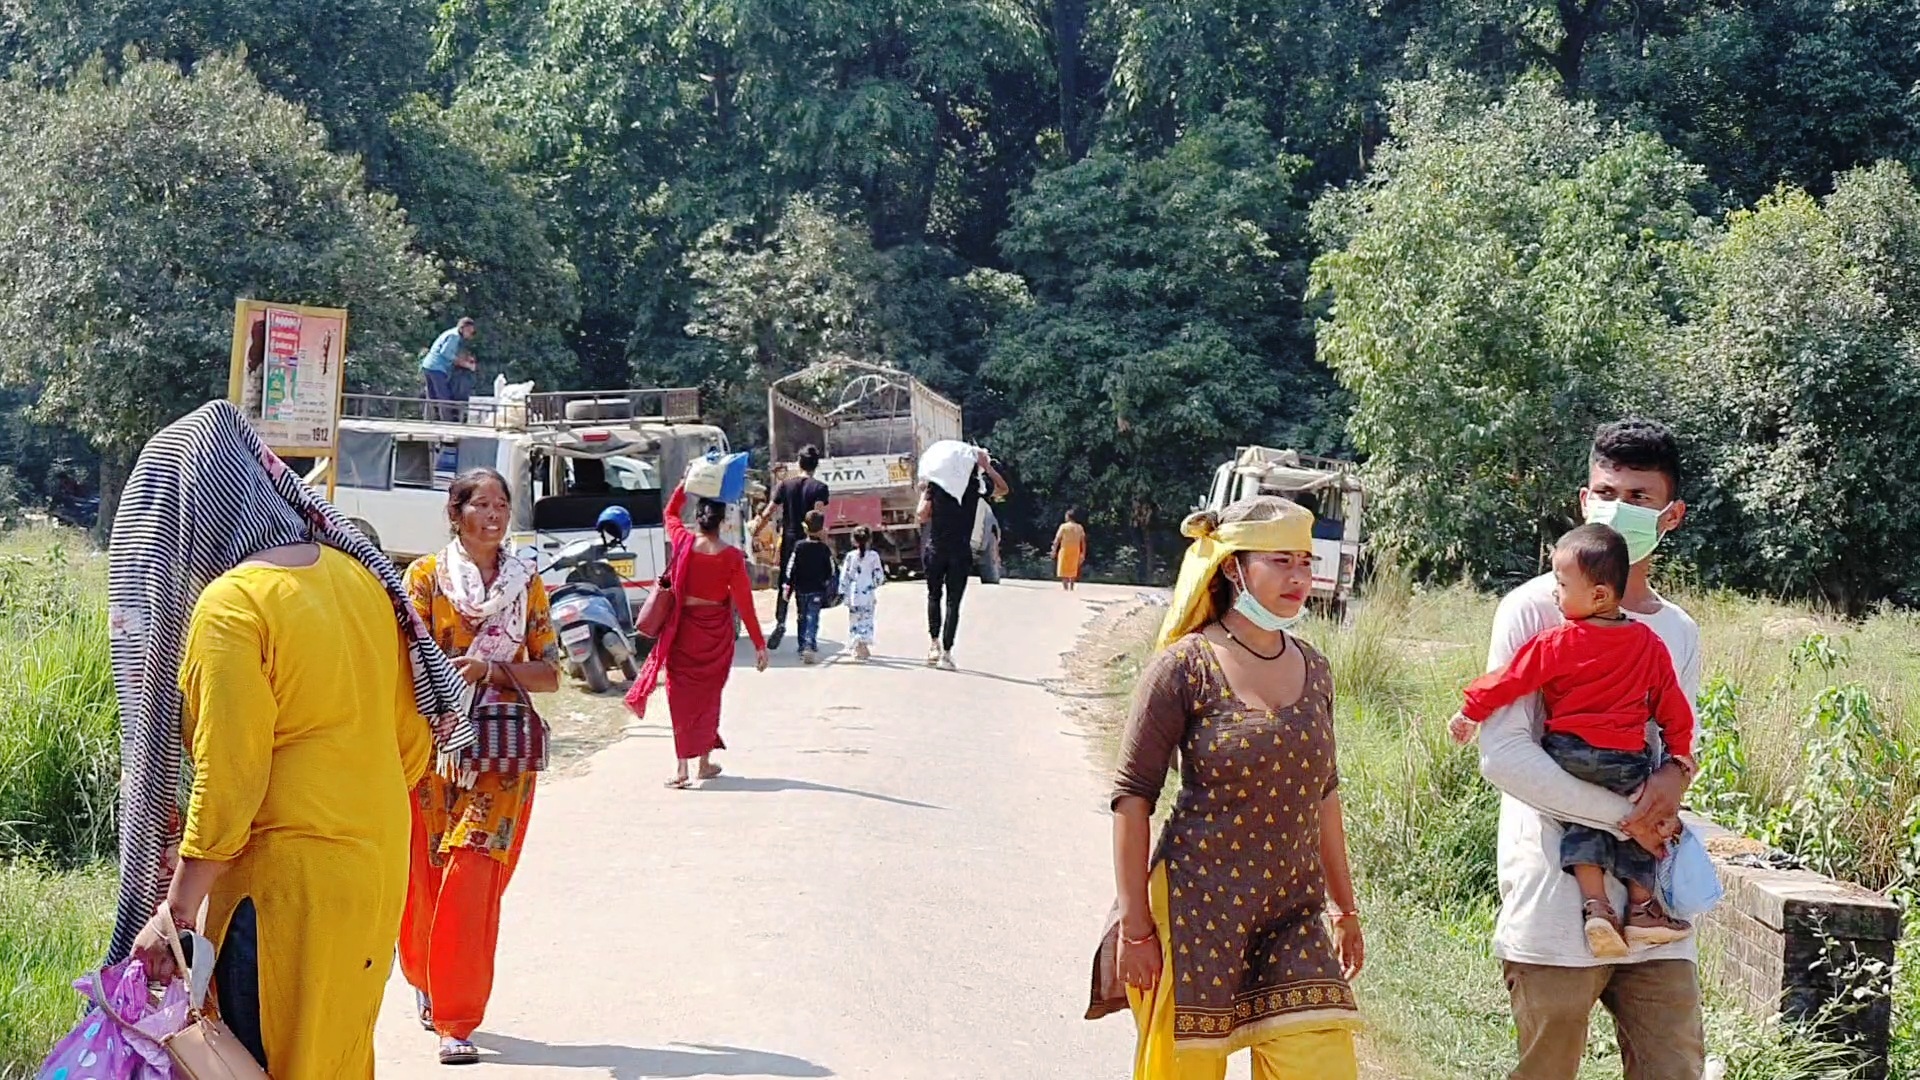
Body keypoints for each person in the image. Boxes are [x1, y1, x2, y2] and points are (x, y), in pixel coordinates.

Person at [111, 401, 467, 1079]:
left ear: (190, 516)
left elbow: (230, 780)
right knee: (338, 1059)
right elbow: (412, 747)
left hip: (285, 894)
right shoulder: (361, 581)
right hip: (373, 875)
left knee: (266, 1064)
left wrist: (176, 911)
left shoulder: (234, 605)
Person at [1097, 497, 1364, 1080]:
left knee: (1323, 1065)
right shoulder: (1182, 668)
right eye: (1280, 561)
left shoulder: (1316, 669)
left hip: (1292, 916)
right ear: (1232, 568)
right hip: (1195, 912)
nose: (1299, 577)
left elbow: (1324, 795)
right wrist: (1136, 930)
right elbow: (1132, 799)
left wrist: (1345, 908)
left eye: (1305, 561)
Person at [1476, 419, 1704, 1080]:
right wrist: (1629, 816)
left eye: (1638, 497)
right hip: (1554, 892)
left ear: (1671, 515)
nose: (1617, 509)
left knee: (1674, 1067)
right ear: (1583, 501)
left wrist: (1678, 773)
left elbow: (1676, 738)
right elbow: (1504, 755)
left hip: (1654, 905)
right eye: (1606, 493)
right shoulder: (1531, 611)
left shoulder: (1678, 631)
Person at [1450, 524, 1694, 958]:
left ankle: (1596, 906)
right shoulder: (1649, 645)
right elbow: (1673, 707)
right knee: (1643, 817)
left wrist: (1471, 711)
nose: (1554, 594)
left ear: (1598, 595)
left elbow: (1510, 679)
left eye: (1562, 586)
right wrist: (1679, 754)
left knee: (1580, 820)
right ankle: (1642, 909)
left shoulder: (1558, 641)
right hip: (1623, 759)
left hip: (1569, 753)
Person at [399, 468, 562, 1066]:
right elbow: (405, 661)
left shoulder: (526, 583)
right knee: (427, 875)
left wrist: (491, 670)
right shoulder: (423, 579)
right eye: (481, 504)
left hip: (500, 756)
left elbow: (550, 672)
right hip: (434, 750)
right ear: (455, 513)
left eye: (501, 504)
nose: (494, 515)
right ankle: (426, 974)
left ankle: (456, 1018)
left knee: (471, 876)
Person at [627, 479, 769, 788]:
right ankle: (704, 763)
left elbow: (670, 513)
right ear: (724, 521)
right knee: (708, 699)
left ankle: (682, 768)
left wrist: (685, 483)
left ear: (698, 519)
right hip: (715, 637)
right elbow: (745, 605)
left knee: (679, 699)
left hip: (682, 633)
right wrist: (759, 644)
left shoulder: (682, 542)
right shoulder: (732, 557)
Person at [917, 447, 1008, 670]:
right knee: (953, 603)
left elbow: (922, 515)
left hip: (936, 549)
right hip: (960, 552)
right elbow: (1003, 489)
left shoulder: (936, 486)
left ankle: (934, 644)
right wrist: (987, 467)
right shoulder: (975, 486)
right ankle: (947, 654)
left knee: (934, 596)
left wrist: (925, 491)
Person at [751, 445, 830, 649]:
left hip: (789, 541)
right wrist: (824, 542)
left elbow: (769, 511)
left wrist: (755, 531)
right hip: (809, 543)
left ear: (799, 463)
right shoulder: (820, 488)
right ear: (816, 465)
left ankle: (780, 621)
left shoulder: (785, 485)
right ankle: (804, 638)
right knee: (806, 588)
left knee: (786, 583)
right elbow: (816, 517)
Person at [783, 510, 835, 664]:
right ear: (822, 530)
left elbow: (791, 568)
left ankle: (802, 646)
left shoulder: (798, 546)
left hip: (800, 589)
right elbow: (831, 570)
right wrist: (827, 583)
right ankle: (809, 644)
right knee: (813, 616)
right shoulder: (824, 549)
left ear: (805, 528)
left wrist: (788, 585)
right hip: (817, 589)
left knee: (802, 616)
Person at [839, 524, 887, 661]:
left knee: (854, 620)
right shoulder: (873, 556)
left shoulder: (850, 556)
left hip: (854, 594)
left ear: (853, 540)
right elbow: (879, 576)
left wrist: (843, 591)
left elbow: (844, 576)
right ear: (869, 540)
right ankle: (863, 644)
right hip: (867, 593)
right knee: (866, 620)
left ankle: (856, 645)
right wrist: (874, 584)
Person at [420, 317, 477, 419]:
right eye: (469, 331)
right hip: (436, 367)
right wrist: (466, 364)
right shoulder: (454, 336)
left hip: (428, 365)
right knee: (443, 396)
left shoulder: (451, 333)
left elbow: (451, 352)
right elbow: (446, 353)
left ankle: (429, 419)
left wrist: (465, 358)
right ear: (462, 328)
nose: (470, 335)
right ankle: (446, 421)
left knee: (431, 395)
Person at [1053, 508, 1089, 590]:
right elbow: (1083, 541)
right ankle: (1072, 587)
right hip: (1075, 550)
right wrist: (1083, 553)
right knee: (1073, 569)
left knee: (1063, 569)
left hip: (1065, 549)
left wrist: (1054, 550)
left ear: (1068, 517)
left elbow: (1057, 539)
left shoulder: (1063, 526)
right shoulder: (1079, 527)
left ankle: (1065, 588)